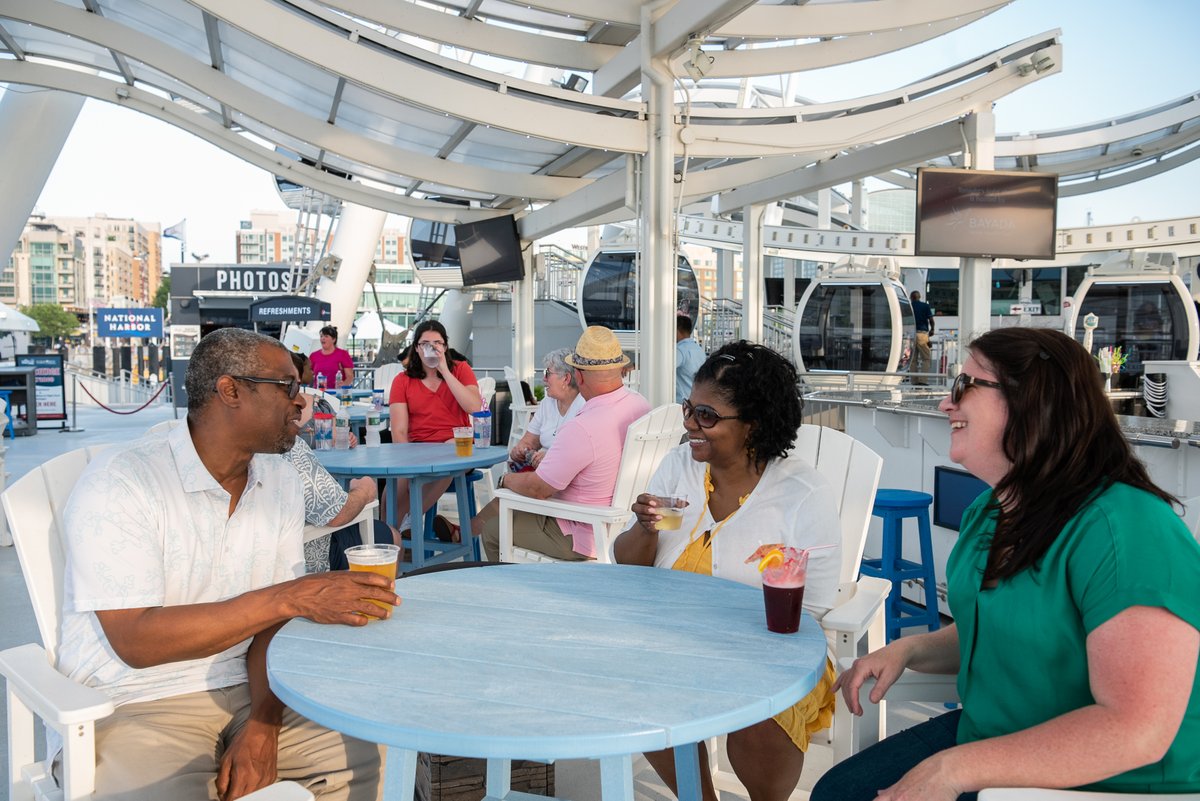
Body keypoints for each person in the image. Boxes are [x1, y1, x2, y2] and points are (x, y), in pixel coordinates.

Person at [813, 327, 1200, 801]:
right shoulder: (992, 511)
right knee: (837, 792)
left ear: (1033, 401)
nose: (946, 404)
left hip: (1108, 784)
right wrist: (909, 650)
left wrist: (954, 769)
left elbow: (1136, 728)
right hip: (994, 740)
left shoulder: (1126, 530)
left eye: (964, 386)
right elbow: (1002, 627)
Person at [59, 327, 394, 801]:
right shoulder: (123, 481)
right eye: (287, 387)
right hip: (135, 702)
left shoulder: (279, 480)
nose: (301, 402)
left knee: (373, 759)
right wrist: (291, 597)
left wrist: (264, 723)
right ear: (230, 391)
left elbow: (275, 624)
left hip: (255, 688)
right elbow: (136, 641)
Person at [613, 340, 842, 801]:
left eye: (707, 416)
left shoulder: (800, 493)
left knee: (760, 712)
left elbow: (812, 609)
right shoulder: (680, 468)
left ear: (753, 424)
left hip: (770, 650)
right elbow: (631, 563)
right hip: (674, 636)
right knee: (640, 688)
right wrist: (646, 528)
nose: (690, 424)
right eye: (689, 409)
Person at [476, 326, 650, 561]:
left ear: (578, 376)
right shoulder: (641, 405)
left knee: (492, 530)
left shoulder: (582, 426)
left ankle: (519, 585)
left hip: (582, 533)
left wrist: (505, 480)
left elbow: (538, 488)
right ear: (620, 369)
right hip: (627, 527)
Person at [285, 351, 399, 574]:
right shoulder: (286, 446)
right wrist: (364, 491)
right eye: (290, 388)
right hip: (309, 558)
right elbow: (336, 513)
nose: (299, 400)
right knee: (391, 536)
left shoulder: (230, 445)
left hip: (271, 556)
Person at [388, 319, 481, 536]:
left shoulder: (460, 370)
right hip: (417, 450)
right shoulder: (402, 380)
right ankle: (392, 541)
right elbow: (399, 431)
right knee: (391, 495)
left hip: (457, 447)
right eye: (425, 344)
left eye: (437, 343)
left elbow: (475, 408)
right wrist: (405, 462)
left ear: (445, 347)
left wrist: (445, 371)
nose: (432, 348)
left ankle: (410, 521)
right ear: (416, 348)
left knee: (447, 457)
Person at [508, 348, 585, 469]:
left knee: (508, 478)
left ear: (566, 378)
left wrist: (551, 457)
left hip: (567, 472)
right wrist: (520, 450)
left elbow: (582, 452)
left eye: (548, 373)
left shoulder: (584, 405)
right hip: (545, 469)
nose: (544, 378)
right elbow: (529, 440)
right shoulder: (547, 403)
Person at [675, 313, 705, 403]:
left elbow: (666, 368)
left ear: (677, 331)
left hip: (681, 402)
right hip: (695, 399)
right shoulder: (699, 350)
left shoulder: (680, 350)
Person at [909, 290, 935, 385]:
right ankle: (923, 381)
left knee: (913, 360)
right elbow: (931, 320)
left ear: (911, 298)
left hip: (910, 335)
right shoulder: (925, 306)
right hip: (922, 335)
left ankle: (914, 381)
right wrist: (932, 329)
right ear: (919, 297)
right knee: (926, 359)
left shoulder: (909, 306)